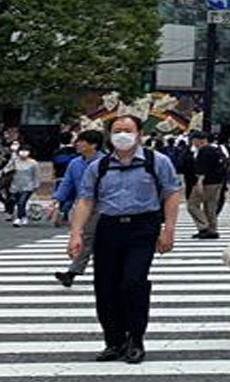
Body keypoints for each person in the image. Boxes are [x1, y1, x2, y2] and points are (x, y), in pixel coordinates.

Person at [68, 115, 182, 364]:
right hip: (108, 228)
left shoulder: (157, 161)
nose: (122, 135)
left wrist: (169, 229)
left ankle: (135, 339)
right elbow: (85, 200)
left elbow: (172, 194)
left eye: (128, 130)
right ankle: (113, 341)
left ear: (139, 134)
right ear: (109, 135)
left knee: (133, 282)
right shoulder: (99, 167)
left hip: (143, 227)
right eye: (117, 130)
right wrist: (76, 233)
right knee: (105, 287)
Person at [53, 129, 105, 286]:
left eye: (81, 141)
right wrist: (56, 201)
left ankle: (73, 272)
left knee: (89, 239)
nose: (77, 144)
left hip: (105, 206)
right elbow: (67, 183)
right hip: (83, 205)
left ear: (93, 145)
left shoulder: (106, 162)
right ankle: (73, 272)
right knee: (86, 238)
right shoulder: (75, 163)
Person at [184, 131, 230, 239]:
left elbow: (202, 169)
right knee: (211, 207)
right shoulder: (216, 149)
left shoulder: (203, 151)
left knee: (192, 205)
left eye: (193, 140)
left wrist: (199, 182)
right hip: (217, 182)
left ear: (199, 140)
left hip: (206, 182)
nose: (193, 142)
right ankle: (212, 230)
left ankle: (204, 226)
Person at [5, 146, 40, 226]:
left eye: (25, 151)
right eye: (22, 150)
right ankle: (23, 216)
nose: (23, 153)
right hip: (15, 186)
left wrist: (36, 185)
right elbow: (6, 170)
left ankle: (18, 218)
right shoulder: (15, 161)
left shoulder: (33, 163)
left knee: (21, 202)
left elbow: (36, 175)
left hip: (28, 186)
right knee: (18, 202)